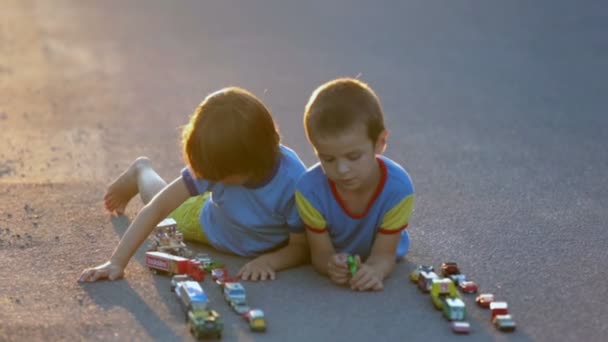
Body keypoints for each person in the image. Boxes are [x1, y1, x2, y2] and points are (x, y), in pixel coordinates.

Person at [79, 87, 309, 283]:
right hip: (208, 225)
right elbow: (158, 206)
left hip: (250, 234)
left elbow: (301, 246)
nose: (210, 176)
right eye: (208, 173)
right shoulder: (217, 163)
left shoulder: (293, 181)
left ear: (251, 163)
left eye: (219, 176)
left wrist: (270, 261)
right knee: (164, 208)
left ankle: (143, 170)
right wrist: (116, 262)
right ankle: (142, 171)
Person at [295, 78, 414, 291]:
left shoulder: (399, 189)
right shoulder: (308, 191)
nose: (341, 170)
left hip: (384, 250)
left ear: (380, 143)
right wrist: (330, 264)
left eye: (353, 156)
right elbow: (320, 255)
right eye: (328, 159)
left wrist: (375, 270)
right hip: (338, 253)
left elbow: (385, 254)